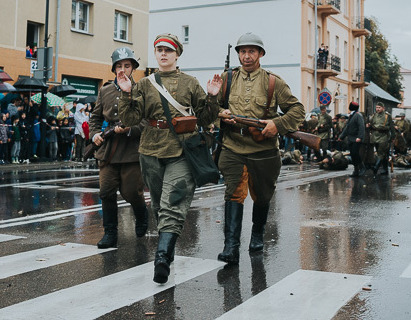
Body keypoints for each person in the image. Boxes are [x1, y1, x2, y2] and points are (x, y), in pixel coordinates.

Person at [118, 33, 221, 284]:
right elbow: (130, 120)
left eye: (168, 50)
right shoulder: (144, 84)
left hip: (182, 150)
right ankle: (168, 247)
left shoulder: (190, 82)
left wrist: (212, 97)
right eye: (159, 50)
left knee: (173, 200)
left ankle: (162, 257)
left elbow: (207, 119)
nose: (163, 54)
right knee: (158, 203)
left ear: (177, 55)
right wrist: (126, 94)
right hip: (150, 150)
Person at [215, 32, 305, 266]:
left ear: (261, 54)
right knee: (233, 192)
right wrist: (220, 116)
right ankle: (231, 247)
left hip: (263, 151)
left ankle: (257, 236)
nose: (246, 56)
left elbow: (297, 111)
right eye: (242, 51)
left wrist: (278, 124)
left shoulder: (273, 82)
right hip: (233, 147)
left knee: (262, 197)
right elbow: (209, 110)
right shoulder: (226, 79)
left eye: (251, 51)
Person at [91, 47, 149, 249]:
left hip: (132, 151)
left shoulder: (141, 90)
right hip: (108, 150)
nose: (123, 69)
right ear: (113, 68)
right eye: (119, 66)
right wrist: (95, 134)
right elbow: (95, 117)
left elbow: (147, 120)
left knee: (131, 192)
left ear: (133, 68)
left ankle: (142, 215)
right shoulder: (105, 90)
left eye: (127, 65)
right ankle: (110, 234)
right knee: (106, 192)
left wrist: (131, 128)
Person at [367, 102, 395, 175]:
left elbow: (392, 128)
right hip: (375, 136)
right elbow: (370, 123)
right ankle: (385, 170)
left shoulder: (387, 116)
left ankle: (376, 167)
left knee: (381, 152)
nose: (378, 109)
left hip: (384, 136)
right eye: (377, 107)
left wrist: (393, 137)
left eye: (379, 107)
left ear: (383, 108)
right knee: (383, 154)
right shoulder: (374, 115)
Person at [339, 101, 365, 177]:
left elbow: (361, 127)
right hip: (350, 138)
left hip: (356, 138)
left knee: (355, 153)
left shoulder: (358, 115)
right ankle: (356, 170)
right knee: (353, 155)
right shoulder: (351, 115)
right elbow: (347, 128)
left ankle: (362, 168)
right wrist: (342, 136)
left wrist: (360, 137)